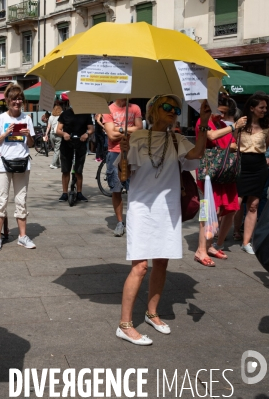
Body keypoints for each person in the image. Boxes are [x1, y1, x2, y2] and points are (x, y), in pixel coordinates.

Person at [116, 95, 209, 346]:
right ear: (152, 111)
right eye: (166, 107)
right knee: (140, 266)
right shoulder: (134, 138)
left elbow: (198, 152)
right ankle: (125, 324)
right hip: (141, 208)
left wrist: (204, 122)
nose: (172, 111)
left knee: (161, 262)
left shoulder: (176, 139)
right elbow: (123, 175)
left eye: (176, 109)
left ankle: (152, 313)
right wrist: (123, 155)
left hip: (167, 209)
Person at [192, 97, 246, 266]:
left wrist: (234, 134)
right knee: (207, 209)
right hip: (209, 172)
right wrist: (234, 127)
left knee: (230, 208)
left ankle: (212, 245)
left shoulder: (223, 124)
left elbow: (232, 145)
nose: (220, 115)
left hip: (224, 172)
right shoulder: (203, 120)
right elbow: (211, 136)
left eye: (223, 112)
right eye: (219, 111)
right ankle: (201, 249)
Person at [0, 83, 36, 252]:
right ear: (7, 100)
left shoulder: (27, 118)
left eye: (19, 99)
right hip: (4, 163)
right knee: (1, 200)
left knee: (21, 200)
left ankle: (22, 236)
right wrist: (6, 134)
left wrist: (28, 135)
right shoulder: (0, 118)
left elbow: (31, 144)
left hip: (23, 162)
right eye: (13, 99)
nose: (17, 102)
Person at [233, 94, 269, 254]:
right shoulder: (240, 124)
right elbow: (231, 142)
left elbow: (266, 146)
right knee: (235, 203)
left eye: (266, 108)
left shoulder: (267, 127)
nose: (265, 110)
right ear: (252, 108)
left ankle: (246, 242)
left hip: (259, 166)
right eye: (262, 107)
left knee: (253, 205)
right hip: (241, 164)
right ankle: (227, 232)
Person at [103, 98, 143, 236]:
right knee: (116, 188)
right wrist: (128, 130)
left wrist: (118, 128)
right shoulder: (108, 109)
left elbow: (139, 129)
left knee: (135, 188)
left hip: (133, 152)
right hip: (114, 153)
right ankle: (120, 222)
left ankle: (135, 220)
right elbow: (111, 135)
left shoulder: (135, 108)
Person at [55, 107, 94, 202]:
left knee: (79, 170)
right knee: (65, 170)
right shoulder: (65, 114)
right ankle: (64, 193)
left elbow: (91, 128)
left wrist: (87, 134)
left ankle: (79, 192)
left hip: (80, 143)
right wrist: (64, 134)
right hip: (67, 144)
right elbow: (58, 130)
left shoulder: (86, 114)